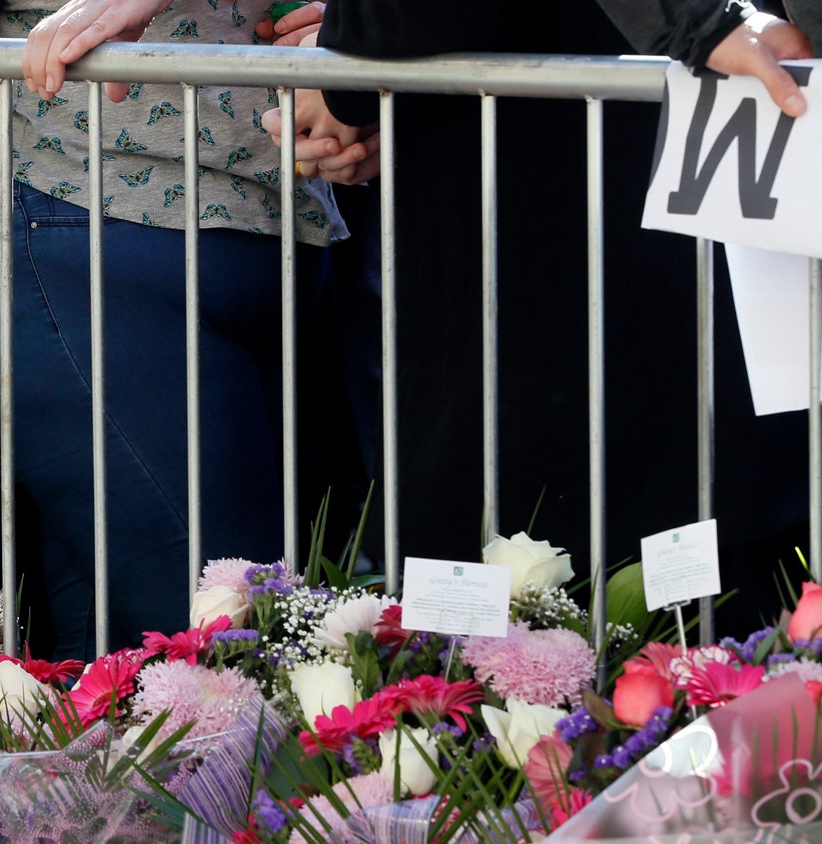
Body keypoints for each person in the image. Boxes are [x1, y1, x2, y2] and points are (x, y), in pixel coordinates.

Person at [260, 0, 815, 631]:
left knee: (527, 619)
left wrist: (345, 79)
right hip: (655, 185)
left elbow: (412, 20)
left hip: (563, 235)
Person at [0, 0, 348, 659]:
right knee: (232, 650)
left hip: (274, 228)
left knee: (113, 672)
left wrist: (359, 33)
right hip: (77, 219)